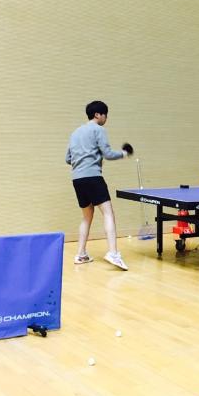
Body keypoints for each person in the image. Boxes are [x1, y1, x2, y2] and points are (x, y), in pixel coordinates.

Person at [66, 100, 133, 270]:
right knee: (108, 213)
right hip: (93, 177)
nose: (106, 118)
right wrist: (124, 153)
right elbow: (108, 154)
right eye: (105, 115)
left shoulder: (75, 133)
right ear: (97, 115)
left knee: (87, 217)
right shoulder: (98, 130)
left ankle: (81, 254)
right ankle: (113, 253)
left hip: (77, 180)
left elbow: (68, 159)